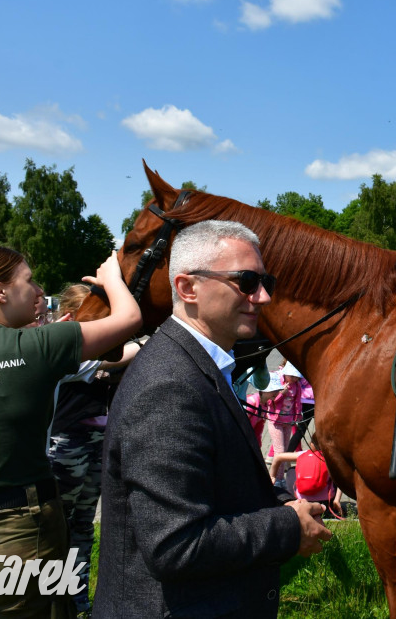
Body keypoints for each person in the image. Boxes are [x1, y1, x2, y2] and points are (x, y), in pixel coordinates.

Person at [94, 220, 331, 619]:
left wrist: (285, 505)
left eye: (265, 282)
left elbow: (218, 488)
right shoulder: (169, 385)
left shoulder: (194, 365)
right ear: (188, 288)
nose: (263, 297)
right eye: (246, 281)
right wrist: (288, 528)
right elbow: (175, 544)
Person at [0, 246, 141, 617]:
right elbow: (130, 319)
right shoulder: (38, 345)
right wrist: (111, 279)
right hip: (17, 533)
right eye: (29, 281)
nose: (39, 290)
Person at [47, 283, 140, 618]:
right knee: (60, 523)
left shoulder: (102, 353)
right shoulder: (63, 351)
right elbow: (123, 354)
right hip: (66, 443)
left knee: (84, 523)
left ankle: (76, 597)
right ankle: (52, 599)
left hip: (97, 440)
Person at [268, 439, 343, 518]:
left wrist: (272, 476)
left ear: (311, 444)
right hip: (325, 503)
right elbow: (341, 479)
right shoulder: (330, 457)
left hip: (301, 502)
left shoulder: (303, 454)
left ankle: (292, 499)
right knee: (335, 474)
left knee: (291, 470)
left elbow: (277, 457)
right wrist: (337, 500)